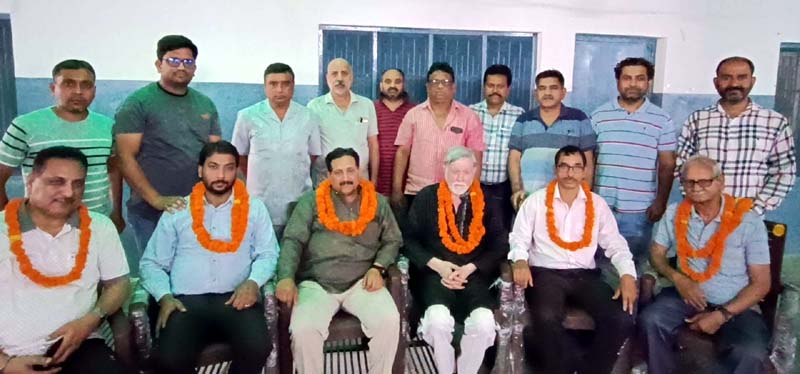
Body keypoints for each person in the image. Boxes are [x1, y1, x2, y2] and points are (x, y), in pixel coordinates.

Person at [139, 141, 278, 374]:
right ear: (200, 170)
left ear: (237, 170)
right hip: (186, 303)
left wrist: (253, 282)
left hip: (236, 300)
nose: (221, 175)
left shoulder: (254, 208)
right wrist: (164, 297)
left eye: (229, 167)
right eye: (213, 167)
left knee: (258, 348)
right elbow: (151, 263)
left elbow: (268, 253)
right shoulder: (178, 210)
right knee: (169, 360)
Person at [0, 146, 131, 374]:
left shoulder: (99, 226)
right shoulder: (2, 229)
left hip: (80, 344)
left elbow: (118, 284)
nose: (69, 192)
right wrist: (5, 364)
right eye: (56, 182)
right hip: (11, 356)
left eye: (77, 183)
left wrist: (90, 320)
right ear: (31, 181)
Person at [509, 145, 637, 374]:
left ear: (585, 171)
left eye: (577, 167)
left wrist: (627, 275)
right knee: (547, 318)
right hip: (546, 273)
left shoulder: (596, 204)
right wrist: (519, 261)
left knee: (621, 319)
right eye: (565, 167)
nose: (570, 173)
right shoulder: (536, 201)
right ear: (556, 170)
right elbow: (518, 238)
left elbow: (616, 244)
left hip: (585, 275)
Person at [639, 155, 771, 374]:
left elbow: (761, 284)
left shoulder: (748, 221)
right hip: (685, 298)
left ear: (721, 182)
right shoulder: (674, 213)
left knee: (750, 352)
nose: (696, 187)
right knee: (651, 321)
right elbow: (657, 253)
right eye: (689, 182)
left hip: (737, 305)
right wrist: (678, 278)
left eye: (704, 181)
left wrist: (722, 315)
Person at [276, 147, 402, 374]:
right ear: (328, 175)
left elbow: (393, 240)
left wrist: (378, 267)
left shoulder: (378, 202)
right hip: (317, 284)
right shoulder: (310, 202)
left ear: (359, 170)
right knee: (304, 329)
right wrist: (285, 277)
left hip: (362, 281)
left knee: (389, 320)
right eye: (338, 172)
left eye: (350, 171)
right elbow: (292, 240)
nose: (345, 178)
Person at [114, 35, 221, 263]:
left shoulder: (205, 104)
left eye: (188, 62)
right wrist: (156, 199)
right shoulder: (138, 103)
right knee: (156, 273)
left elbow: (216, 156)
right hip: (151, 212)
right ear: (158, 64)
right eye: (173, 61)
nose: (182, 67)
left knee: (192, 272)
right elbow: (124, 157)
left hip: (197, 210)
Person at [404, 146, 507, 374]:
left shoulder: (487, 200)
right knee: (438, 321)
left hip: (474, 276)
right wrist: (437, 264)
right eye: (455, 171)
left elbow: (500, 244)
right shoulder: (426, 197)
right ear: (444, 169)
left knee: (484, 323)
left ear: (474, 172)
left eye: (465, 172)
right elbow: (409, 240)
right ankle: (445, 369)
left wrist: (472, 267)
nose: (460, 177)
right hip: (434, 276)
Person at [0, 59, 124, 232]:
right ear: (53, 89)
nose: (78, 91)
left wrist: (116, 213)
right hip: (42, 226)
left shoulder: (107, 126)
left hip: (96, 221)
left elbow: (113, 170)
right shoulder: (25, 126)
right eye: (69, 84)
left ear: (94, 91)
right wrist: (7, 217)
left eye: (86, 85)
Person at [676, 56, 796, 215]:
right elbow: (681, 166)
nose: (734, 84)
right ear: (716, 82)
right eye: (726, 78)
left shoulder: (774, 122)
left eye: (742, 77)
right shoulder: (698, 119)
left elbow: (784, 171)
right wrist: (697, 201)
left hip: (749, 217)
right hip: (700, 215)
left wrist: (756, 209)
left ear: (752, 81)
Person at [591, 57, 676, 265]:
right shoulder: (599, 115)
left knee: (633, 263)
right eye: (627, 78)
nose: (633, 83)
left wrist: (660, 201)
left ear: (648, 83)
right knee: (599, 263)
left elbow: (667, 165)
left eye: (640, 78)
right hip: (602, 206)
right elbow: (589, 161)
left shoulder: (662, 119)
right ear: (618, 81)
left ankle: (631, 299)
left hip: (640, 210)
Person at [232, 62, 321, 238]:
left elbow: (314, 155)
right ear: (265, 87)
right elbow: (238, 156)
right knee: (261, 252)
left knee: (295, 253)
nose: (279, 90)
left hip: (297, 199)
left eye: (285, 84)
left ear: (293, 86)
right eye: (273, 84)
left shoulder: (309, 116)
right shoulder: (247, 116)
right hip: (261, 199)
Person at [392, 62, 486, 209]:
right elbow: (402, 152)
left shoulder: (468, 117)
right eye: (435, 82)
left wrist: (473, 190)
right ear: (427, 87)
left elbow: (476, 157)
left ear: (454, 88)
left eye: (445, 82)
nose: (440, 86)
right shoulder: (413, 115)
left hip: (455, 191)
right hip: (418, 191)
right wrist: (396, 189)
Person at [508, 70, 596, 210]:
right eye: (542, 88)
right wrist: (517, 191)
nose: (547, 93)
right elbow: (514, 159)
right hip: (529, 200)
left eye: (553, 88)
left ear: (563, 92)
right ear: (536, 93)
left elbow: (588, 162)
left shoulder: (579, 119)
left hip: (566, 202)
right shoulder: (523, 120)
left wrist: (583, 198)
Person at [470, 64, 525, 234]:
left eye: (500, 86)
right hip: (473, 183)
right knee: (474, 227)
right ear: (484, 87)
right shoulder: (470, 112)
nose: (495, 90)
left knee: (501, 230)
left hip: (503, 185)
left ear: (508, 89)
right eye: (490, 85)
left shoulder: (519, 115)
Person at [307, 58, 379, 186]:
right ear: (327, 78)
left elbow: (373, 144)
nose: (339, 78)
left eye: (344, 73)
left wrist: (373, 181)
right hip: (325, 183)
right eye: (334, 74)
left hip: (361, 181)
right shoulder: (314, 107)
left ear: (351, 77)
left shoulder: (366, 105)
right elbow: (308, 147)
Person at [375, 68, 415, 196]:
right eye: (388, 81)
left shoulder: (415, 112)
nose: (392, 85)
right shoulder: (369, 110)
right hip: (376, 182)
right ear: (381, 85)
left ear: (404, 85)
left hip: (408, 185)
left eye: (397, 81)